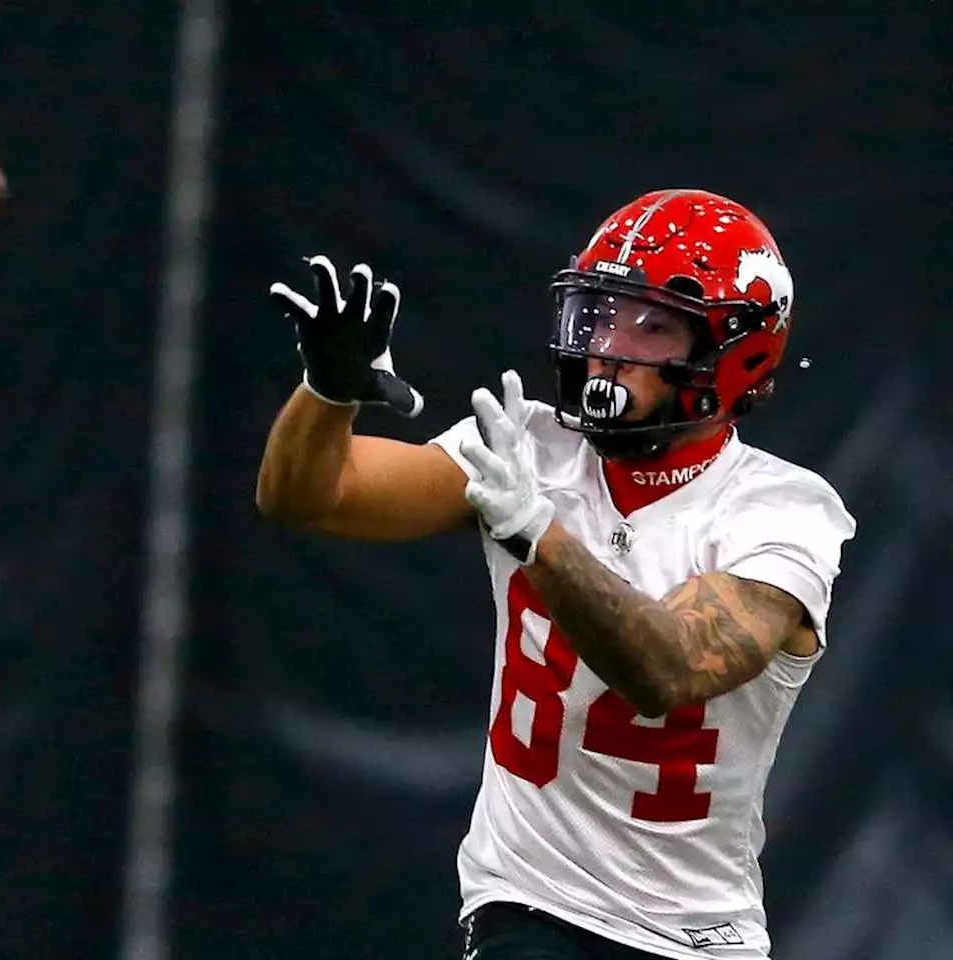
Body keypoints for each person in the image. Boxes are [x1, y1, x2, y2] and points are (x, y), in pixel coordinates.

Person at [255, 189, 857, 960]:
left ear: (733, 353)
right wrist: (326, 395)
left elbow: (667, 669)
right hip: (531, 903)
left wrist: (539, 531)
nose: (609, 346)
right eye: (604, 315)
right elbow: (310, 495)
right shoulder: (530, 448)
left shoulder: (781, 510)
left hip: (700, 936)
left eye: (653, 327)